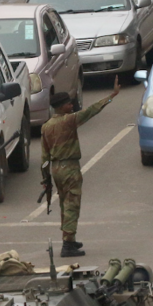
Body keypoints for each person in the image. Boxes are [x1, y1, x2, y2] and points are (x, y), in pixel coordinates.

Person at [41, 76, 120, 258]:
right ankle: (68, 245)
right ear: (61, 107)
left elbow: (44, 157)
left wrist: (45, 178)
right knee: (72, 205)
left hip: (56, 170)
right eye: (68, 104)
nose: (71, 106)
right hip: (69, 168)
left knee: (64, 204)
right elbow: (92, 111)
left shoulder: (46, 127)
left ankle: (69, 238)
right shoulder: (68, 121)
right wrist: (111, 96)